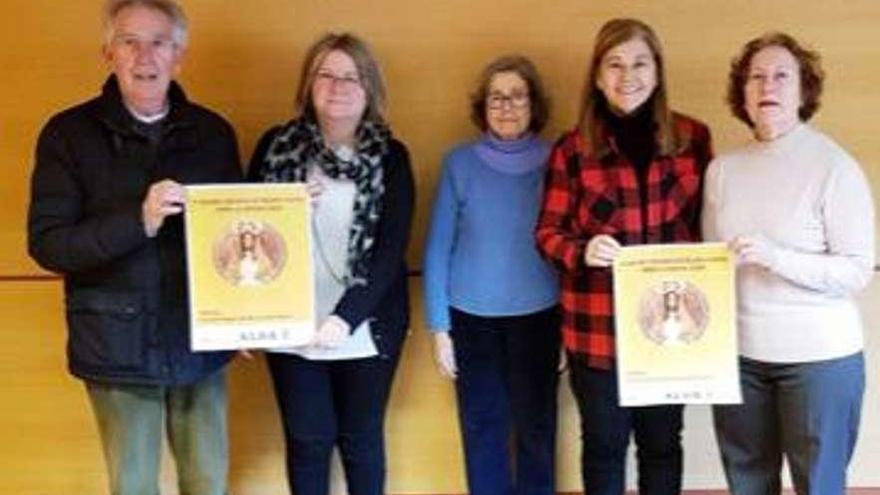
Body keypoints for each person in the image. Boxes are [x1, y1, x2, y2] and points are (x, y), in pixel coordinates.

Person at [26, 1, 241, 494]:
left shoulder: (213, 133)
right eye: (130, 41)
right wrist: (137, 222)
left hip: (199, 340)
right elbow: (49, 244)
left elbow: (233, 234)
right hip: (115, 345)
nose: (145, 55)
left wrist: (247, 309)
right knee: (134, 486)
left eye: (159, 42)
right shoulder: (68, 135)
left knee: (209, 482)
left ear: (179, 56)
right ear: (108, 53)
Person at [535, 18, 713, 495]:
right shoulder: (572, 150)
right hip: (597, 331)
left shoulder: (693, 139)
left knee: (661, 445)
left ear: (657, 71)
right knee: (604, 446)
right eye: (614, 64)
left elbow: (708, 230)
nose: (627, 75)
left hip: (670, 331)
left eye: (639, 62)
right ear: (596, 75)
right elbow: (547, 235)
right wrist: (581, 249)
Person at [702, 32, 875, 495]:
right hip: (740, 360)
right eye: (755, 77)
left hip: (819, 361)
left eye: (781, 75)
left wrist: (777, 258)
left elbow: (858, 270)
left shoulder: (834, 167)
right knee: (748, 483)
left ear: (804, 90)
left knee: (818, 485)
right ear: (742, 93)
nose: (767, 86)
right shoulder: (723, 170)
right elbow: (709, 262)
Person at [247, 32, 414, 495]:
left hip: (364, 326)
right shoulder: (275, 147)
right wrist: (286, 212)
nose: (337, 86)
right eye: (326, 74)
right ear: (308, 84)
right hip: (291, 326)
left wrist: (345, 318)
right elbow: (246, 231)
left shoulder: (390, 156)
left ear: (370, 89)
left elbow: (390, 250)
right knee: (307, 440)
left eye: (351, 76)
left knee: (361, 441)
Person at [423, 55, 560, 495]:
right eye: (496, 97)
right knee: (483, 429)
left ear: (533, 103)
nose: (506, 106)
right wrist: (440, 328)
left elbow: (568, 243)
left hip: (541, 317)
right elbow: (438, 247)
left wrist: (567, 331)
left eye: (517, 95)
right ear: (482, 106)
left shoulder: (557, 160)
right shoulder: (458, 163)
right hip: (471, 319)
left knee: (537, 431)